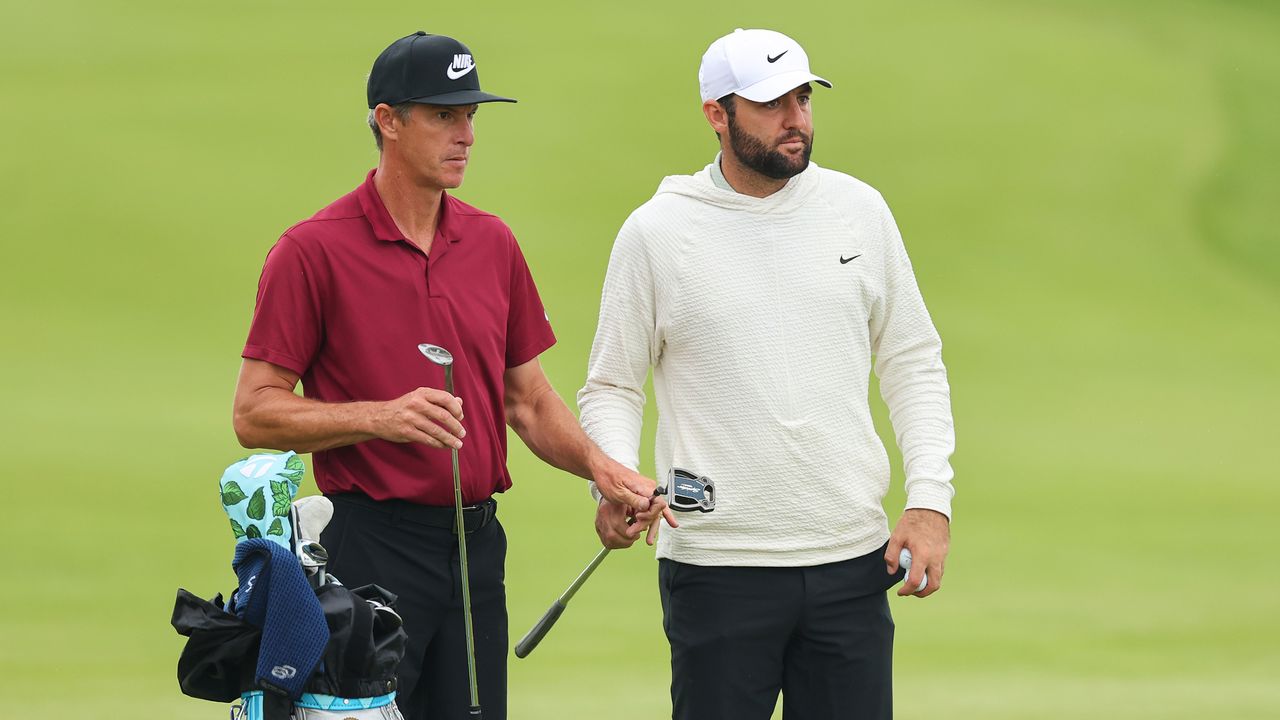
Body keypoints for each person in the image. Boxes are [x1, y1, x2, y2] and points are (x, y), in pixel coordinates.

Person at [232, 31, 671, 720]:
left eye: (470, 115)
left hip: (475, 550)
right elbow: (254, 412)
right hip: (367, 545)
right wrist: (377, 417)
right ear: (388, 121)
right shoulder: (312, 252)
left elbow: (526, 401)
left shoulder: (492, 243)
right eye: (443, 115)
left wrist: (602, 470)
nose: (465, 133)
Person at [578, 28, 956, 720]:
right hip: (717, 569)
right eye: (770, 103)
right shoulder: (657, 233)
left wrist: (930, 501)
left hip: (851, 560)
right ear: (716, 114)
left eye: (803, 98)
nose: (796, 119)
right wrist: (618, 478)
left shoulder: (859, 212)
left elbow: (912, 362)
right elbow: (612, 385)